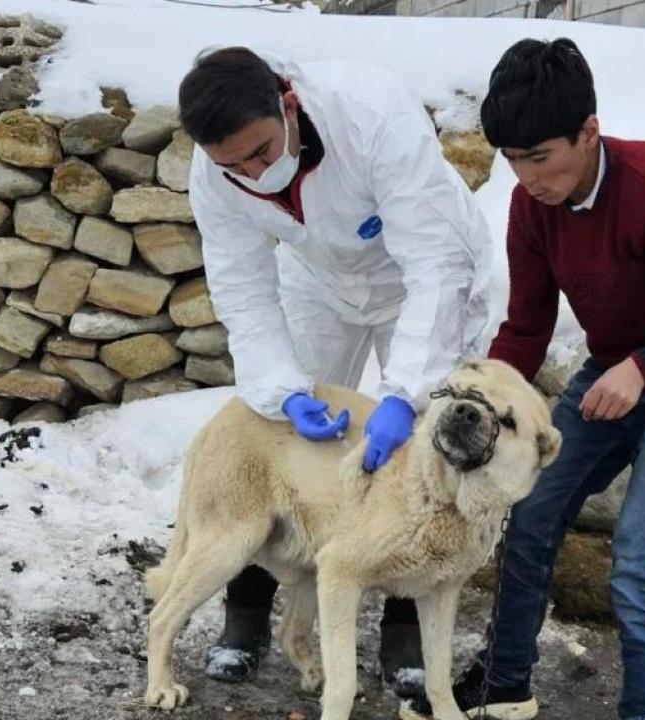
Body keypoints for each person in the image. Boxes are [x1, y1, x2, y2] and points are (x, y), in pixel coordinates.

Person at [401, 38, 645, 720]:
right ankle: (505, 683)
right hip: (612, 370)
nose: (528, 176)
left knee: (637, 562)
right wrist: (479, 393)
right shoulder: (531, 208)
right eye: (511, 159)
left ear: (588, 132)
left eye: (540, 157)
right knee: (529, 511)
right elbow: (528, 328)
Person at [179, 46, 493, 699]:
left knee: (426, 448)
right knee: (277, 441)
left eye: (262, 153)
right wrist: (281, 390)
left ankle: (403, 628)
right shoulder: (214, 174)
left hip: (423, 275)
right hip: (321, 281)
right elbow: (242, 290)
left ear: (287, 104)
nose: (252, 174)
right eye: (232, 165)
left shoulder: (370, 111)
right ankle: (245, 616)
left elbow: (433, 266)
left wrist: (407, 396)